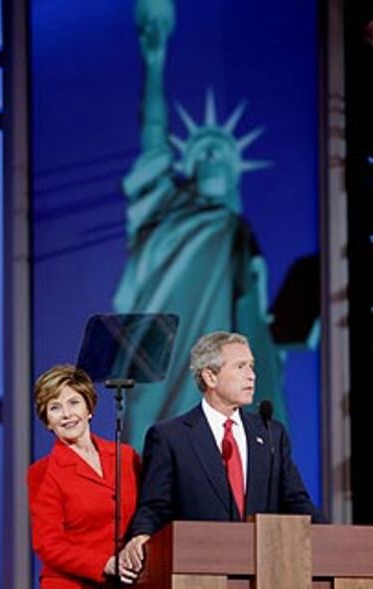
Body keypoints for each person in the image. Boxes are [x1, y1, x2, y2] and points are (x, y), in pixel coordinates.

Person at [114, 0, 287, 454]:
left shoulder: (236, 231)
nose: (211, 157)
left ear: (233, 172)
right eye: (203, 152)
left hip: (214, 353)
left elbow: (256, 306)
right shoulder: (165, 205)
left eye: (220, 154)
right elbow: (153, 134)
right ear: (189, 166)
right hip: (160, 347)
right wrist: (155, 62)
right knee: (148, 440)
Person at [120, 331, 325, 572]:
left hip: (266, 569)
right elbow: (155, 506)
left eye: (251, 366)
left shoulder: (271, 434)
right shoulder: (170, 437)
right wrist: (141, 536)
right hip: (199, 570)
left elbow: (296, 500)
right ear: (210, 376)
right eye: (240, 367)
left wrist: (331, 539)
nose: (252, 375)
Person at [27, 364, 140, 588]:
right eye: (55, 408)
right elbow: (49, 544)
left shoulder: (126, 457)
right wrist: (105, 564)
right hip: (71, 583)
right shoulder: (43, 472)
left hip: (130, 580)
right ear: (48, 421)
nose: (67, 414)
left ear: (89, 409)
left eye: (74, 402)